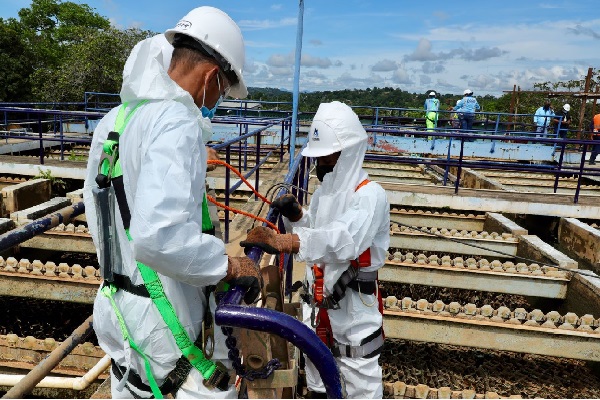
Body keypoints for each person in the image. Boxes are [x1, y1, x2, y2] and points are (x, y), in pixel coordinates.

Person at [83, 7, 261, 399]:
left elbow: (99, 213)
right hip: (166, 328)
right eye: (224, 91)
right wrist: (226, 265)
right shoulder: (178, 123)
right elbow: (156, 237)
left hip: (118, 310)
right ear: (213, 76)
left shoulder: (116, 119)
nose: (218, 100)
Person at [240, 101, 390, 398]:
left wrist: (286, 241)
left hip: (353, 311)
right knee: (317, 374)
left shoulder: (371, 196)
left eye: (326, 158)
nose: (320, 164)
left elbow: (344, 240)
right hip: (317, 306)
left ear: (347, 154)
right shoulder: (324, 193)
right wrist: (297, 217)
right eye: (318, 158)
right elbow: (317, 232)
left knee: (358, 377)